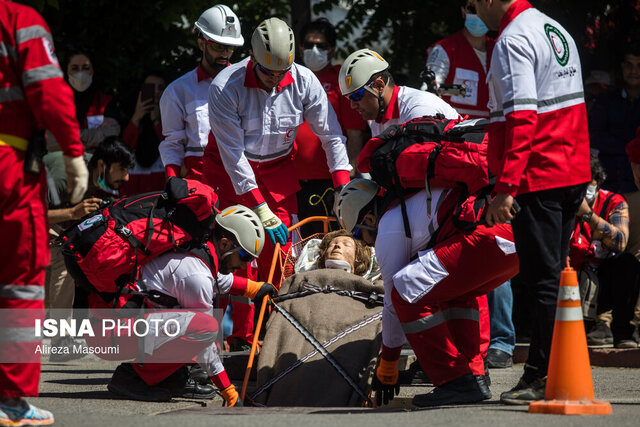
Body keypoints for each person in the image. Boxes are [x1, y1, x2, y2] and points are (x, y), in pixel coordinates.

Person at [473, 0, 591, 404]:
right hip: (571, 168)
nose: (472, 10)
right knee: (555, 277)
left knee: (542, 279)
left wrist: (505, 185)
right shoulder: (551, 27)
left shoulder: (512, 38)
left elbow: (522, 117)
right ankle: (557, 366)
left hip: (541, 174)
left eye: (474, 2)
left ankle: (541, 374)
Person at [335, 179, 519, 406]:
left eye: (357, 235)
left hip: (488, 238)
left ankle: (456, 381)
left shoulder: (390, 223)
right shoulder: (412, 203)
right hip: (509, 238)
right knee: (451, 294)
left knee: (406, 288)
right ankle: (472, 374)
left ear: (370, 220)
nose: (365, 245)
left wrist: (389, 363)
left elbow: (394, 301)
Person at [203, 17, 352, 286]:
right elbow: (233, 157)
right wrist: (259, 207)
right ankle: (236, 329)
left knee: (282, 258)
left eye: (281, 72)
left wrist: (343, 188)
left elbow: (331, 135)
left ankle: (276, 320)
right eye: (267, 72)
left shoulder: (304, 79)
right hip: (228, 173)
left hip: (278, 173)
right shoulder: (225, 86)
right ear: (251, 57)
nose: (274, 79)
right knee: (230, 255)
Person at [0, 1, 88, 425]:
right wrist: (73, 152)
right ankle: (11, 402)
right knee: (20, 282)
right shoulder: (18, 19)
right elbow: (48, 89)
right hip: (8, 166)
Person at [95, 205, 276, 406]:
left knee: (200, 328)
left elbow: (216, 280)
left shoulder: (201, 251)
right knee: (206, 328)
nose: (244, 266)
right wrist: (230, 393)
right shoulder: (196, 275)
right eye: (245, 257)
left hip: (118, 325)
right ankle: (131, 377)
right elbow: (206, 344)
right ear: (225, 244)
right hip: (110, 335)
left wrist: (255, 289)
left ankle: (168, 376)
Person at [426, 0, 515, 368]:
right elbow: (431, 97)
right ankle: (469, 340)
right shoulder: (442, 52)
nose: (477, 15)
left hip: (499, 154)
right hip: (460, 159)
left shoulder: (504, 46)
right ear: (463, 10)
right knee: (465, 243)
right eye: (470, 7)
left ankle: (504, 340)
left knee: (498, 239)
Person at [295, 19, 367, 235]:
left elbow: (355, 133)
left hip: (329, 183)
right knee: (294, 248)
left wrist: (350, 172)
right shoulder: (288, 77)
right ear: (300, 48)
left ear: (332, 49)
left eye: (321, 45)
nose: (314, 50)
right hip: (291, 182)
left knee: (327, 244)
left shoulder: (341, 82)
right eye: (309, 45)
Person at [159, 4, 243, 182]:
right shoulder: (177, 91)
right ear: (201, 44)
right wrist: (172, 182)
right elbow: (172, 144)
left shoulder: (245, 85)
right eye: (219, 47)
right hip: (199, 182)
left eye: (230, 48)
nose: (225, 54)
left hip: (240, 179)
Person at [338, 48, 459, 140]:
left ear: (379, 86)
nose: (352, 105)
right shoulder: (378, 120)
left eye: (356, 96)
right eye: (348, 98)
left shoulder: (418, 110)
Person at [425, 0, 494, 118]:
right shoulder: (445, 49)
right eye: (472, 9)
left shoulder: (499, 48)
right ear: (463, 11)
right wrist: (463, 90)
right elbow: (430, 89)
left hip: (492, 129)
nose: (478, 14)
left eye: (482, 8)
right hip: (457, 130)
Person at [589, 43, 640, 193]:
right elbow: (594, 136)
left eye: (639, 65)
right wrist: (630, 146)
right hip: (609, 185)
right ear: (621, 67)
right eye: (628, 65)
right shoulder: (606, 101)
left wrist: (617, 143)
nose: (634, 71)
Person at [64, 48, 120, 151]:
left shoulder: (105, 102)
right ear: (66, 71)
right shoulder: (57, 103)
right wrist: (96, 135)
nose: (80, 73)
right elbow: (52, 137)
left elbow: (112, 133)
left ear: (92, 70)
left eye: (85, 68)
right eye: (75, 68)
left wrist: (72, 136)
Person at [120, 72, 167, 196]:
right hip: (131, 199)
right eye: (150, 88)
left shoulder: (173, 122)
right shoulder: (126, 120)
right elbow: (122, 151)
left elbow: (171, 148)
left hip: (160, 198)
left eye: (161, 88)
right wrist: (136, 118)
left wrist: (157, 121)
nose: (156, 92)